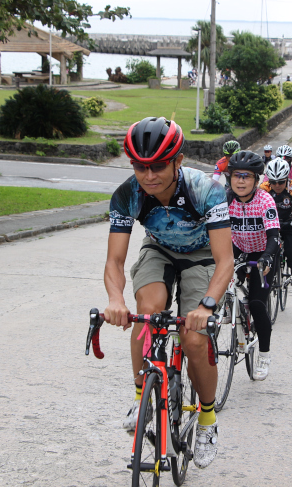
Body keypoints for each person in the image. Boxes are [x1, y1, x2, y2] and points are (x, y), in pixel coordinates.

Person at [104, 117, 233, 468]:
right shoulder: (127, 194)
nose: (148, 175)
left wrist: (207, 306)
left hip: (202, 256)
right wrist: (116, 300)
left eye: (158, 165)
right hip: (159, 250)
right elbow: (115, 261)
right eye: (139, 166)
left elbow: (225, 261)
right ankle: (139, 397)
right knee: (147, 311)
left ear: (178, 160)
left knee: (193, 338)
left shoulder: (206, 189)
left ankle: (207, 419)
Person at [226, 151, 279, 380]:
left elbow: (274, 235)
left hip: (263, 253)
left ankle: (264, 354)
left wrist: (267, 256)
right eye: (236, 175)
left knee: (257, 303)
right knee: (221, 286)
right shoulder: (226, 199)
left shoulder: (265, 200)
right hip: (238, 249)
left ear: (257, 180)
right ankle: (231, 313)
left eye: (246, 176)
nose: (240, 181)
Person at [261, 158, 292, 289]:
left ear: (287, 178)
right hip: (271, 225)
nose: (277, 185)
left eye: (281, 182)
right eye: (273, 182)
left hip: (290, 223)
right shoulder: (263, 189)